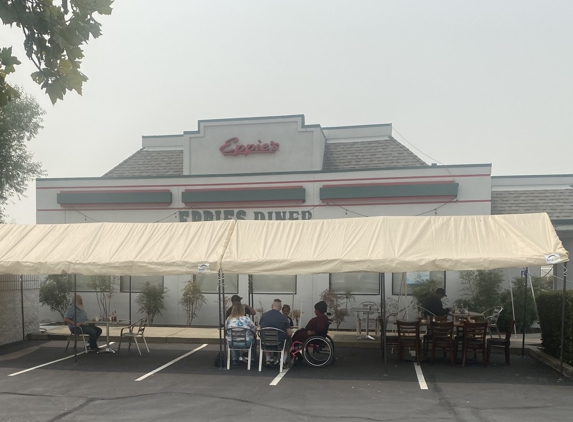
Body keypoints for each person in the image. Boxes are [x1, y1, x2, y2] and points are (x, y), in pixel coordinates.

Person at [259, 299, 293, 367]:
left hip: (265, 342)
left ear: (272, 306)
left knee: (267, 338)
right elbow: (289, 333)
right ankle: (283, 361)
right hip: (279, 343)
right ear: (280, 308)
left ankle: (268, 360)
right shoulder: (283, 318)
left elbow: (260, 328)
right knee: (288, 342)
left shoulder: (264, 316)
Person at [225, 301, 257, 366]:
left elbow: (226, 328)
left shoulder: (229, 319)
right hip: (246, 342)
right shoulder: (247, 319)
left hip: (232, 342)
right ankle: (252, 359)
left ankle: (235, 359)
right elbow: (254, 329)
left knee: (233, 338)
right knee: (254, 340)